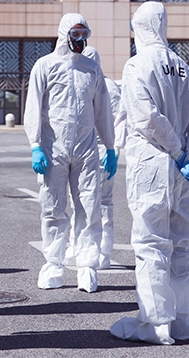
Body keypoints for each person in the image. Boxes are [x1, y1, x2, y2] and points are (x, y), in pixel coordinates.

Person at [110, 1, 189, 345]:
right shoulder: (186, 70)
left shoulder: (137, 65)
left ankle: (155, 324)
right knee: (182, 245)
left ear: (140, 28)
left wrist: (177, 150)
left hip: (152, 164)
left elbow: (146, 118)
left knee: (151, 244)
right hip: (183, 171)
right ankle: (182, 322)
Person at [24, 14, 116, 294]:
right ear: (64, 34)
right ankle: (54, 264)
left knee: (89, 207)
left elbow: (103, 112)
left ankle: (86, 266)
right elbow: (33, 107)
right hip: (53, 148)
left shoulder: (91, 69)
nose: (80, 40)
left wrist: (110, 146)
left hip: (86, 149)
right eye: (76, 34)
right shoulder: (45, 66)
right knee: (52, 207)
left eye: (84, 34)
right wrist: (35, 145)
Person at [82, 46, 126, 270]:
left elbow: (120, 118)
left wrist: (114, 149)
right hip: (89, 149)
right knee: (88, 201)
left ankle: (102, 251)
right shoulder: (91, 83)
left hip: (101, 149)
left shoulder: (106, 86)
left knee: (101, 202)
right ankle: (90, 248)